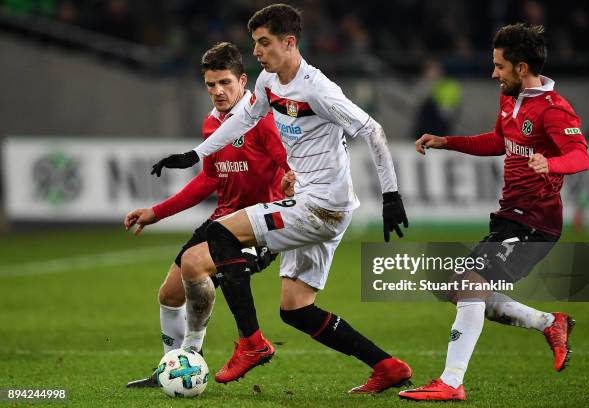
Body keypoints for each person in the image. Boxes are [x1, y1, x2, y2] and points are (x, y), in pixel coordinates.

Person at [150, 3, 411, 394]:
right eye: (255, 43)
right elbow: (245, 119)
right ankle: (389, 367)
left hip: (321, 206)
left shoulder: (318, 89)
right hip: (316, 203)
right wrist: (197, 154)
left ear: (289, 42)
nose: (256, 51)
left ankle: (251, 343)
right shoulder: (268, 83)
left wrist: (391, 195)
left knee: (220, 235)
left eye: (264, 43)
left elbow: (372, 130)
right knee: (297, 310)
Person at [400, 23, 589, 401]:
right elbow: (498, 141)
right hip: (510, 215)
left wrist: (551, 165)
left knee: (469, 283)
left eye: (499, 66)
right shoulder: (510, 99)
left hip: (536, 223)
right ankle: (549, 323)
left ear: (521, 68)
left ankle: (451, 382)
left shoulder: (553, 109)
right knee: (459, 289)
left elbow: (580, 155)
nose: (493, 73)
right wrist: (447, 141)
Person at [123, 42, 290, 387]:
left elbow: (291, 165)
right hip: (221, 220)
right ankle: (169, 366)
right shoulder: (212, 124)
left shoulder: (263, 121)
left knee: (193, 264)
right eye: (211, 85)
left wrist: (292, 186)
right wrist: (156, 213)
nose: (218, 91)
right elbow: (210, 179)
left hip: (258, 225)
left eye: (225, 82)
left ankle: (191, 356)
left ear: (244, 81)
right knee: (169, 294)